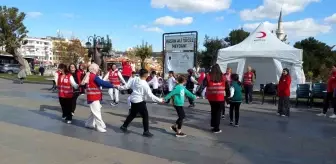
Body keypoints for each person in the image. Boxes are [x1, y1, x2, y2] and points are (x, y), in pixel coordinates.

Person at [118, 69, 164, 137]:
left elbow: (127, 86)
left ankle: (124, 126)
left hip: (133, 99)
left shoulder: (135, 79)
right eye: (147, 74)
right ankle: (146, 131)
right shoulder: (144, 84)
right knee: (145, 115)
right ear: (145, 75)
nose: (148, 75)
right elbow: (150, 95)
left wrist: (119, 87)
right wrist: (160, 100)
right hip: (139, 101)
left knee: (133, 114)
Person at [81, 63, 115, 133]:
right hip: (94, 97)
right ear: (94, 69)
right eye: (97, 69)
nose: (98, 70)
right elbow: (102, 83)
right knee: (97, 113)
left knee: (94, 112)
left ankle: (89, 124)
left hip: (91, 97)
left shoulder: (89, 75)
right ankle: (99, 127)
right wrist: (112, 85)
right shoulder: (94, 76)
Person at [203, 64, 226, 133]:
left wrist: (198, 93)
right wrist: (228, 95)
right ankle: (216, 128)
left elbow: (203, 85)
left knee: (213, 111)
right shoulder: (223, 77)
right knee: (218, 113)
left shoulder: (208, 76)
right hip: (220, 98)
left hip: (211, 97)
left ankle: (213, 125)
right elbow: (227, 86)